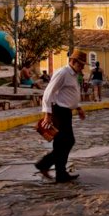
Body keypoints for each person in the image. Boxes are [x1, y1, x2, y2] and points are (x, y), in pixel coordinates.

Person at [35, 49, 87, 183]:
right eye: (80, 64)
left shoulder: (74, 75)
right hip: (59, 111)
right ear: (73, 61)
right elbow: (48, 92)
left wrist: (78, 107)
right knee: (67, 141)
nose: (82, 67)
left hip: (66, 112)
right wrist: (47, 114)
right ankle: (44, 165)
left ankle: (60, 173)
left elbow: (70, 94)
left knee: (62, 144)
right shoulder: (63, 73)